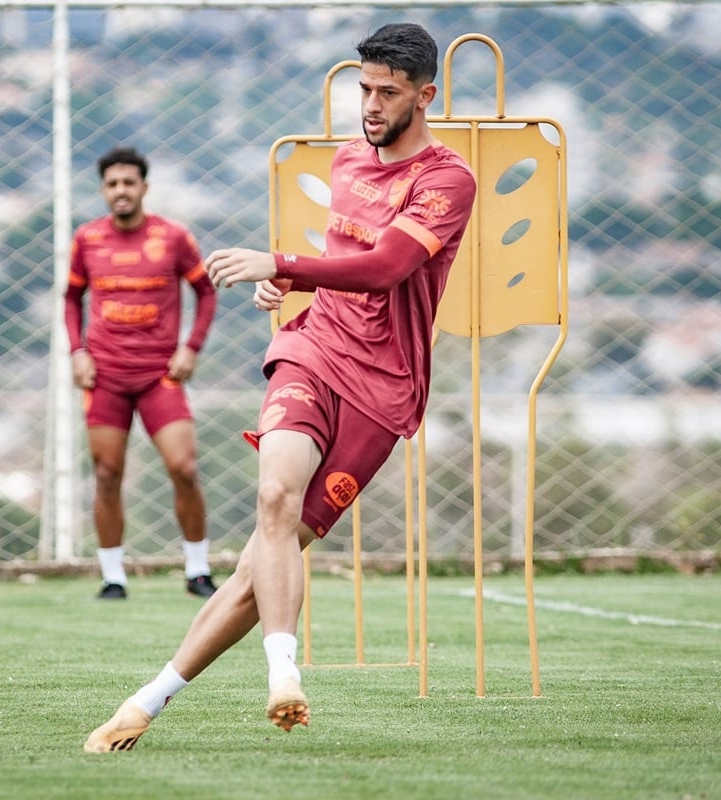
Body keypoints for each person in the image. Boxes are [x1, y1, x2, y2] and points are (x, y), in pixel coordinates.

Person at [83, 22, 476, 752]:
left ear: (425, 97)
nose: (370, 104)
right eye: (364, 88)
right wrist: (289, 291)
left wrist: (281, 264)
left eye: (387, 93)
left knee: (259, 564)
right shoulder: (351, 160)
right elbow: (341, 266)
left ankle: (145, 703)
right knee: (272, 497)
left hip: (383, 393)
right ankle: (283, 674)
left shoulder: (448, 180)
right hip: (311, 350)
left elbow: (386, 268)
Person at [64, 146, 219, 601]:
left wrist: (191, 348)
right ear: (103, 190)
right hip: (105, 376)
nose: (121, 191)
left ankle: (197, 569)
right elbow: (70, 298)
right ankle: (113, 576)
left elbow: (206, 293)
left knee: (184, 468)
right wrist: (78, 351)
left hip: (159, 376)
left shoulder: (173, 237)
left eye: (129, 183)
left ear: (144, 188)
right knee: (107, 473)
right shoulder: (87, 239)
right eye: (112, 184)